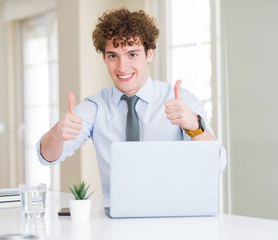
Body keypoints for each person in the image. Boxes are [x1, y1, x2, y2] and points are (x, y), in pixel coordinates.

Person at [36, 8, 226, 198]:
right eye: (113, 56)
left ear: (150, 54)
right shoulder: (95, 107)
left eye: (132, 54)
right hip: (116, 221)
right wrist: (58, 133)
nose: (122, 67)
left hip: (173, 218)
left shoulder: (181, 101)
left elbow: (216, 165)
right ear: (104, 57)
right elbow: (46, 157)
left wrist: (194, 125)